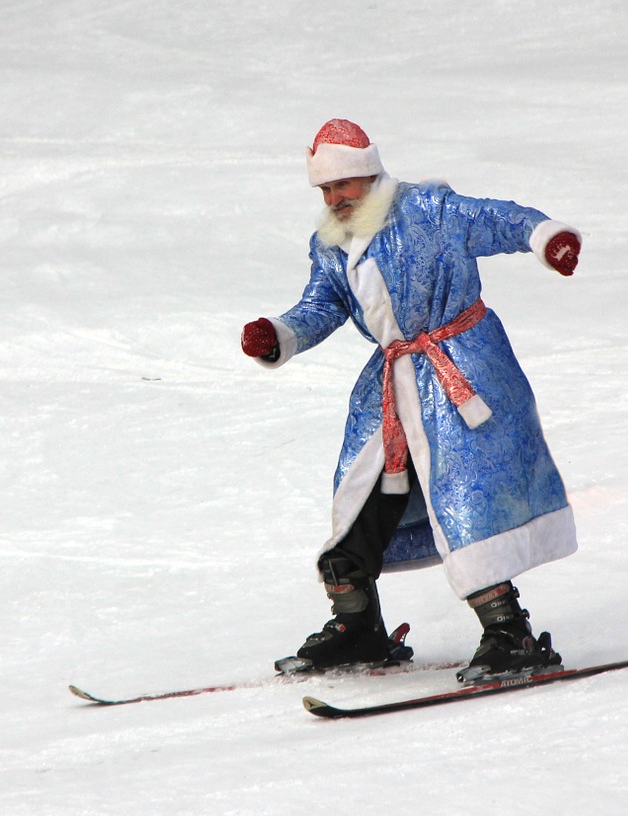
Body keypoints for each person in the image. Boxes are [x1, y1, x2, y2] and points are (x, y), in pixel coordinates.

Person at [241, 119, 583, 679]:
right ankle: (357, 627)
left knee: (467, 497)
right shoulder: (329, 245)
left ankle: (508, 632)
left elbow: (500, 219)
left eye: (341, 187)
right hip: (391, 384)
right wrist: (279, 334)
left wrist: (548, 238)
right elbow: (322, 305)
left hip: (464, 373)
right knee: (358, 497)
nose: (333, 199)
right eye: (324, 191)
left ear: (369, 175)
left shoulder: (430, 209)